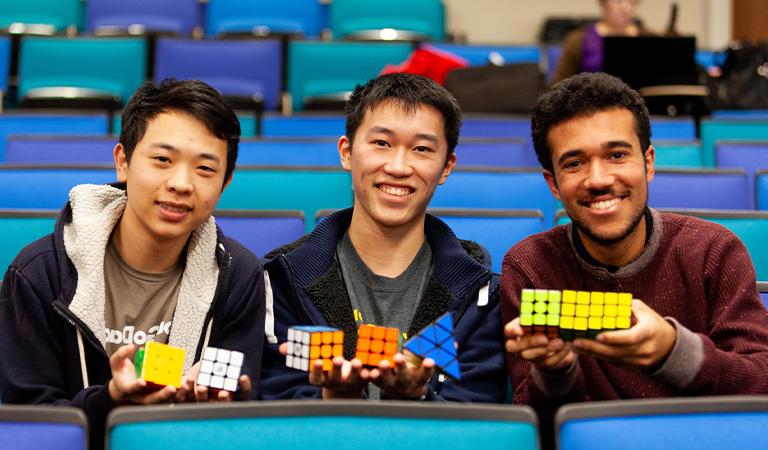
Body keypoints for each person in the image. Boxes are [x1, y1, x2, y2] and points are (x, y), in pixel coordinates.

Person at [502, 72, 768, 447]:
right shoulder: (530, 266)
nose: (598, 178)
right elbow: (537, 430)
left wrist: (673, 352)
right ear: (553, 184)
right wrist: (556, 370)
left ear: (648, 163)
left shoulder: (714, 251)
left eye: (616, 155)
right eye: (574, 163)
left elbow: (761, 381)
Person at [0, 79, 266, 446]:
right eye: (162, 160)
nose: (181, 183)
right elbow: (33, 426)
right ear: (123, 162)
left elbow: (241, 419)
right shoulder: (38, 274)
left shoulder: (239, 276)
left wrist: (220, 402)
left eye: (205, 169)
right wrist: (111, 400)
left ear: (225, 183)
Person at [260, 73, 506, 402]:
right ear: (346, 152)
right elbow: (275, 410)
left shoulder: (481, 295)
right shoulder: (281, 279)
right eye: (381, 143)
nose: (399, 166)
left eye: (421, 149)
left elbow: (476, 419)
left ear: (447, 167)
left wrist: (416, 397)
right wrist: (335, 398)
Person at [551, 0, 649, 84]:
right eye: (618, 1)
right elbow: (559, 85)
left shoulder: (649, 38)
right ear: (603, 3)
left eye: (632, 2)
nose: (626, 9)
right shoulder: (578, 40)